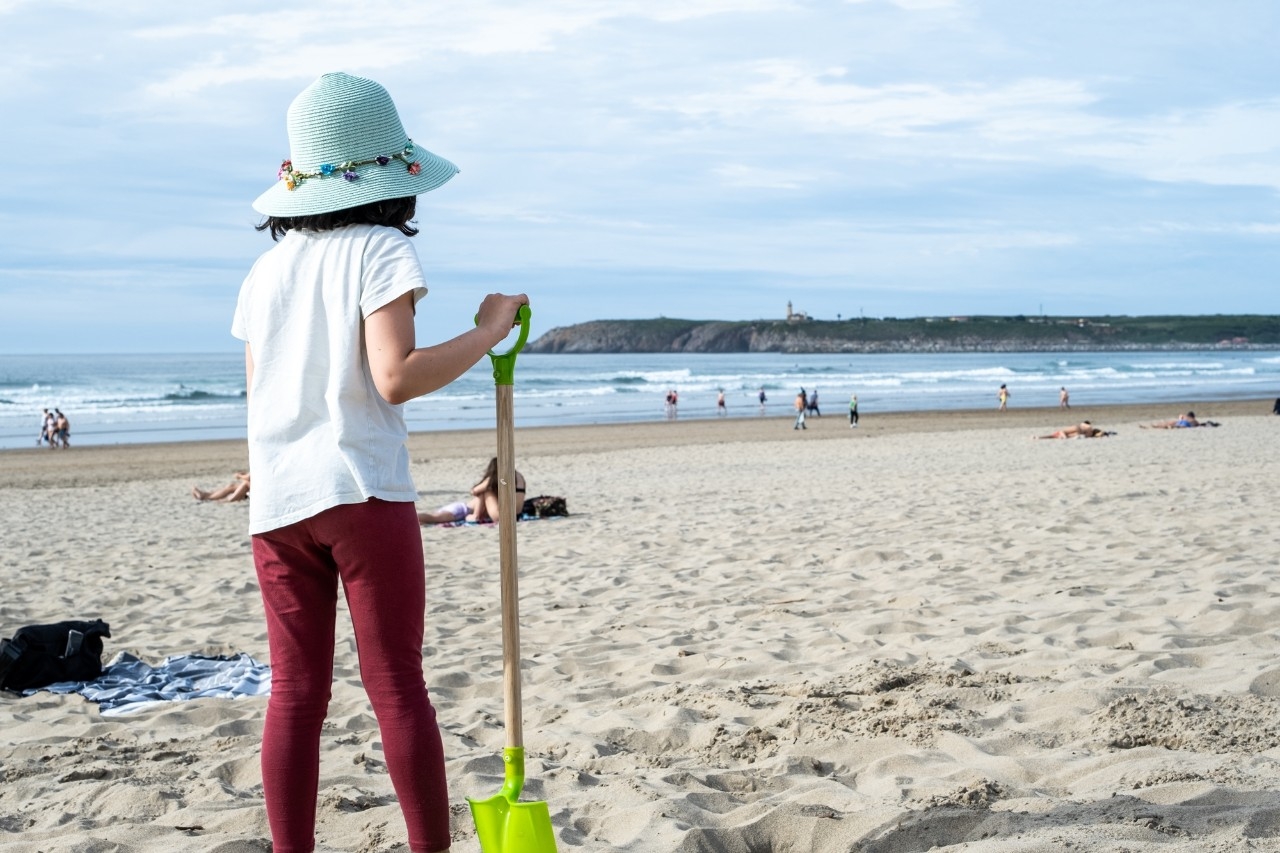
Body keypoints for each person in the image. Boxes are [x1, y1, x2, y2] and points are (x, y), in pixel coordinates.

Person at [233, 72, 528, 853]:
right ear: (394, 179)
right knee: (396, 684)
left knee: (295, 693)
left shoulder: (263, 273)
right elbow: (395, 375)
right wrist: (490, 331)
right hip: (361, 490)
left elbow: (261, 395)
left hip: (280, 506)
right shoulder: (379, 248)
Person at [463, 456, 527, 524]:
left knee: (484, 490)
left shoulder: (497, 477)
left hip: (501, 517)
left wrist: (488, 482)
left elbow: (474, 491)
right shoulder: (520, 476)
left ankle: (476, 515)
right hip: (517, 515)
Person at [1032, 421, 1112, 439]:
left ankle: (1039, 437)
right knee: (1056, 435)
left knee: (1059, 433)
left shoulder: (1088, 428)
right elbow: (1099, 434)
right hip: (1080, 433)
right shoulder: (1091, 434)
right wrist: (1104, 433)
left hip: (1079, 429)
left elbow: (1086, 425)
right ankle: (1039, 437)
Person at [1142, 411, 1220, 429]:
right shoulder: (1195, 420)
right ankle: (1172, 427)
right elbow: (1197, 425)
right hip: (1186, 424)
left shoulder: (1184, 416)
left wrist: (1180, 419)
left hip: (1180, 420)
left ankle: (1156, 426)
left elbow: (1180, 416)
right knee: (1181, 426)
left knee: (1169, 423)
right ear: (1193, 416)